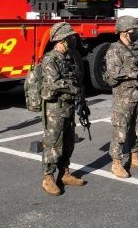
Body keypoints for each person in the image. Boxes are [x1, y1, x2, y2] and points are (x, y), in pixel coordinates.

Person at [104, 15, 138, 179]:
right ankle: (116, 163)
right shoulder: (114, 50)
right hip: (124, 97)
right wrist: (136, 74)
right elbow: (113, 72)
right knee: (121, 130)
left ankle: (135, 156)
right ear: (124, 31)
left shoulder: (137, 48)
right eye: (133, 30)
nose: (136, 32)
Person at [40, 22, 85, 196]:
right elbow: (54, 83)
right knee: (53, 142)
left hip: (68, 106)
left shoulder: (69, 57)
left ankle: (64, 173)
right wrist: (74, 88)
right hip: (55, 108)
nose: (73, 39)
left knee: (68, 142)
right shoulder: (50, 58)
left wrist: (80, 97)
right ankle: (48, 177)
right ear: (61, 39)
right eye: (70, 37)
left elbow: (77, 79)